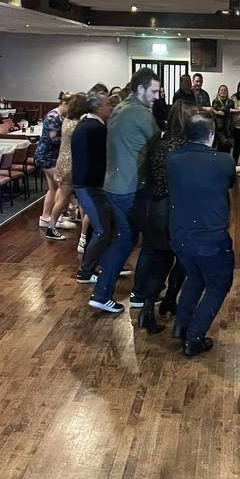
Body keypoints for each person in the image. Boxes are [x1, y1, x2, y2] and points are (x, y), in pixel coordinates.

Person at [90, 68, 161, 313]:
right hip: (130, 188)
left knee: (125, 239)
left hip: (113, 185)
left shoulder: (119, 108)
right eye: (153, 91)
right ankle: (140, 294)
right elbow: (159, 148)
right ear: (140, 89)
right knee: (151, 241)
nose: (156, 96)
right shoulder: (140, 114)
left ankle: (102, 292)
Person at [168, 114, 237, 356]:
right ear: (211, 135)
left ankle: (181, 326)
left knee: (194, 278)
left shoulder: (172, 159)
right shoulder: (224, 161)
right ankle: (194, 337)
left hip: (179, 235)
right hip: (210, 237)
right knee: (219, 284)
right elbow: (228, 185)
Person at [132, 101, 198, 332]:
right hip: (177, 209)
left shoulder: (158, 143)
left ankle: (148, 308)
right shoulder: (188, 148)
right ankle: (170, 299)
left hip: (154, 208)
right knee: (184, 260)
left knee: (159, 261)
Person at [72, 93, 115, 283]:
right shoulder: (96, 128)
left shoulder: (84, 124)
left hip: (83, 183)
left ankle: (98, 265)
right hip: (90, 185)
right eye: (107, 104)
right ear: (97, 107)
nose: (111, 108)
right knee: (103, 230)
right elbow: (104, 158)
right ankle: (85, 272)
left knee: (101, 228)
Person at [45, 93, 87, 241]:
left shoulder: (67, 120)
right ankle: (84, 234)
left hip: (62, 161)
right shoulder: (78, 124)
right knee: (80, 199)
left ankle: (51, 226)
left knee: (64, 197)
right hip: (72, 164)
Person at [35, 92, 76, 232]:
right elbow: (53, 138)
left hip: (52, 156)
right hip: (47, 156)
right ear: (64, 103)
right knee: (62, 186)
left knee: (53, 188)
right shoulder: (53, 116)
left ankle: (45, 217)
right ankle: (56, 218)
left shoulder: (60, 116)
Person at [210, 84, 235, 153]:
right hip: (218, 131)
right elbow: (222, 111)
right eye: (221, 90)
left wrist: (215, 111)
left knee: (227, 152)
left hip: (228, 130)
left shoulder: (231, 102)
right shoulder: (215, 102)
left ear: (227, 92)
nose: (223, 91)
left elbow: (223, 111)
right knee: (218, 152)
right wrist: (217, 111)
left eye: (225, 90)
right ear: (218, 92)